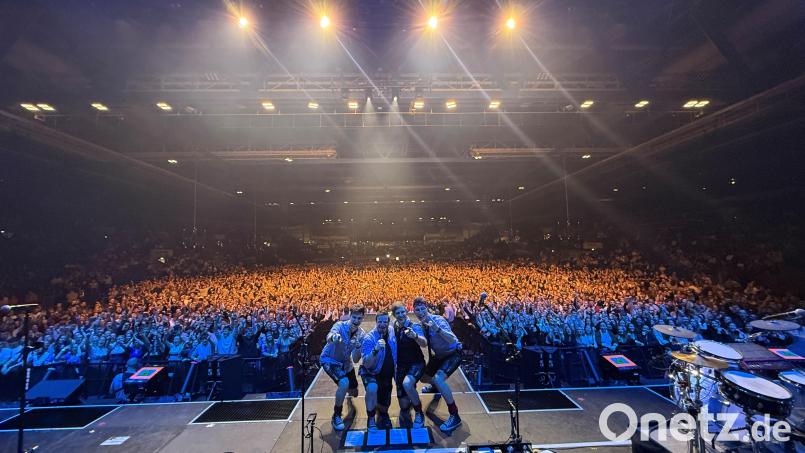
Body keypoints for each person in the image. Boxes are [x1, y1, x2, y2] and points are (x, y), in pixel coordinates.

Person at [413, 296, 463, 433]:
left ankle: (455, 415)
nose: (421, 312)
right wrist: (416, 336)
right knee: (423, 378)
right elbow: (423, 342)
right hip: (439, 356)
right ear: (414, 311)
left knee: (438, 379)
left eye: (423, 309)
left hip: (453, 353)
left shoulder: (438, 320)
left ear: (427, 309)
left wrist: (437, 329)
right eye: (417, 309)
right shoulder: (419, 325)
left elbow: (453, 339)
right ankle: (437, 388)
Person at [319, 303, 366, 431]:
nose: (356, 321)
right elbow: (329, 336)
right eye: (354, 318)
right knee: (344, 383)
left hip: (346, 362)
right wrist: (334, 338)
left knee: (354, 392)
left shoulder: (361, 335)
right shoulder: (339, 326)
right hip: (330, 360)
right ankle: (336, 415)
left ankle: (346, 398)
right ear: (350, 316)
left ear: (363, 318)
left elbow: (356, 359)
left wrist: (357, 347)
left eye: (359, 318)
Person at [391, 301, 427, 428]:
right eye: (398, 313)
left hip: (416, 363)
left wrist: (415, 336)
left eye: (402, 312)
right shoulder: (394, 326)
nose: (401, 315)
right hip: (401, 365)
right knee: (404, 405)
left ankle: (419, 412)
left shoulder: (414, 326)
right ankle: (412, 394)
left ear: (406, 311)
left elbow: (424, 343)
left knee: (407, 383)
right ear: (394, 315)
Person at [360, 311, 396, 431]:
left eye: (384, 322)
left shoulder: (392, 331)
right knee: (372, 388)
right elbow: (366, 363)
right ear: (376, 322)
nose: (382, 324)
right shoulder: (369, 338)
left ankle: (383, 414)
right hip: (370, 372)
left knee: (384, 406)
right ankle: (370, 419)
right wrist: (375, 350)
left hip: (386, 374)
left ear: (388, 323)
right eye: (379, 321)